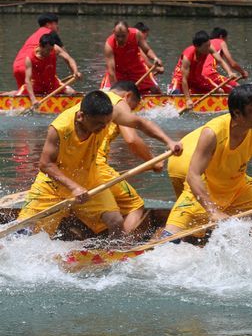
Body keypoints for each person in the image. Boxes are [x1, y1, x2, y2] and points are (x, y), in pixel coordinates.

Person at [17, 90, 182, 238]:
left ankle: (114, 254)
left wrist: (168, 141)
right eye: (98, 124)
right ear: (81, 116)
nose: (103, 128)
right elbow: (45, 164)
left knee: (115, 221)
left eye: (106, 123)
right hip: (52, 186)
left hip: (89, 180)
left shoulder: (108, 114)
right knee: (24, 233)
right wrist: (74, 187)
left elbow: (140, 123)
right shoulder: (59, 128)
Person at [161, 85, 252, 245]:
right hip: (206, 189)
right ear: (237, 113)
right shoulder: (212, 133)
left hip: (239, 188)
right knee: (167, 243)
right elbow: (193, 175)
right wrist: (213, 211)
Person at [96, 81, 182, 233]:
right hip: (97, 166)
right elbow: (132, 140)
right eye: (132, 108)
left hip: (75, 164)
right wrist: (153, 161)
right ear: (128, 96)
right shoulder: (118, 103)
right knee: (135, 206)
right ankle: (121, 246)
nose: (129, 112)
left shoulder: (95, 100)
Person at [168, 30, 235, 104]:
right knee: (176, 95)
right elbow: (184, 80)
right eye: (206, 46)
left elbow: (220, 60)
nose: (208, 48)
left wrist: (229, 72)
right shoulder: (188, 56)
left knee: (220, 91)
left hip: (198, 77)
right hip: (180, 79)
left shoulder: (209, 47)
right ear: (197, 46)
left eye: (209, 45)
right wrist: (188, 99)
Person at [100, 21, 163, 94]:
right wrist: (116, 91)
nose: (120, 39)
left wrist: (155, 58)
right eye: (117, 36)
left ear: (128, 32)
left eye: (123, 36)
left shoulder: (136, 34)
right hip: (118, 73)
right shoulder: (109, 45)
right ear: (113, 32)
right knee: (109, 95)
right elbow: (111, 71)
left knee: (155, 91)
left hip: (136, 70)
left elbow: (147, 50)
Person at [19, 33, 80, 103]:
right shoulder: (30, 59)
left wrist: (75, 71)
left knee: (72, 93)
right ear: (40, 46)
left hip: (52, 84)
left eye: (51, 49)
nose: (50, 52)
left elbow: (69, 59)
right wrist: (33, 100)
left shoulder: (55, 48)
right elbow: (28, 80)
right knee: (17, 96)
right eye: (48, 50)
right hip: (36, 87)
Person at [12, 13, 62, 90]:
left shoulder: (34, 35)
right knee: (41, 90)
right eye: (56, 24)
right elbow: (64, 54)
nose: (57, 27)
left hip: (17, 66)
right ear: (48, 24)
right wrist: (74, 72)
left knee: (23, 93)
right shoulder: (51, 35)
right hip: (30, 67)